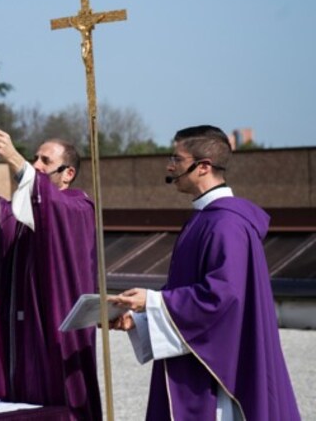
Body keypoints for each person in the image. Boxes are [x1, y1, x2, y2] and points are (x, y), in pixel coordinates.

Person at [110, 125, 300, 420]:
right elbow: (192, 290)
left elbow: (223, 298)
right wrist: (140, 319)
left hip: (218, 376)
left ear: (203, 167)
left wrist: (153, 301)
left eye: (177, 159)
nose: (169, 166)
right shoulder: (205, 219)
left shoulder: (226, 224)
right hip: (203, 358)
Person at [0, 128, 101, 420]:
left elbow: (51, 206)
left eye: (45, 161)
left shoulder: (78, 207)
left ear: (68, 174)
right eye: (34, 158)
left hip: (50, 329)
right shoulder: (20, 211)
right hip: (15, 333)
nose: (37, 165)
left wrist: (13, 157)